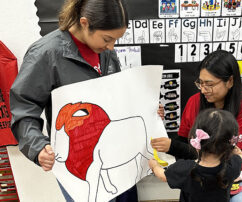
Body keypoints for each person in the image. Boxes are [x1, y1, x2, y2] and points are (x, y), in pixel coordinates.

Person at [10, 0, 163, 201]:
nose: (112, 46)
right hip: (78, 160)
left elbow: (115, 97)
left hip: (113, 150)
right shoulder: (46, 54)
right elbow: (23, 108)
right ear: (84, 23)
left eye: (115, 40)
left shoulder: (105, 52)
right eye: (107, 39)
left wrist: (146, 109)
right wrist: (37, 146)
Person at [151, 50, 242, 202]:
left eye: (210, 84)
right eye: (200, 83)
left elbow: (225, 156)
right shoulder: (194, 102)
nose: (203, 89)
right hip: (207, 171)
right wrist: (157, 120)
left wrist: (173, 147)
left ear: (230, 81)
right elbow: (184, 142)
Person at [149, 108, 242, 202]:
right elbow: (240, 154)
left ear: (195, 139)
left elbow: (163, 176)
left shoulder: (185, 168)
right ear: (231, 143)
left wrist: (154, 166)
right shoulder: (233, 164)